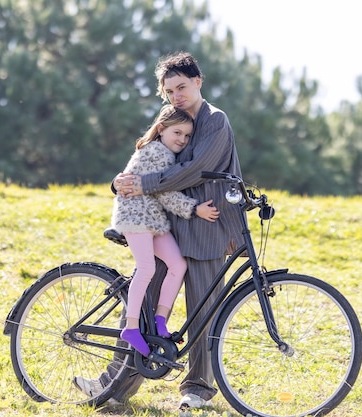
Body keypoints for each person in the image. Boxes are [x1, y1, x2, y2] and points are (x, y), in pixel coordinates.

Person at [74, 51, 243, 410]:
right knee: (141, 305)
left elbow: (195, 170)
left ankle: (196, 389)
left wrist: (141, 184)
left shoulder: (215, 121)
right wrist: (122, 182)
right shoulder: (174, 119)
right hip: (165, 224)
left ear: (199, 82)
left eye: (182, 86)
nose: (176, 95)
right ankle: (111, 386)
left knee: (202, 311)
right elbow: (148, 153)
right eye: (169, 91)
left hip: (205, 226)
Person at [111, 104, 218, 356]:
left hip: (153, 220)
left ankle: (160, 320)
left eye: (187, 136)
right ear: (161, 130)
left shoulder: (165, 153)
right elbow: (164, 191)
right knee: (147, 267)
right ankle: (131, 327)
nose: (182, 139)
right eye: (177, 133)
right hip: (136, 215)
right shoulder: (156, 152)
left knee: (178, 265)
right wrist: (195, 209)